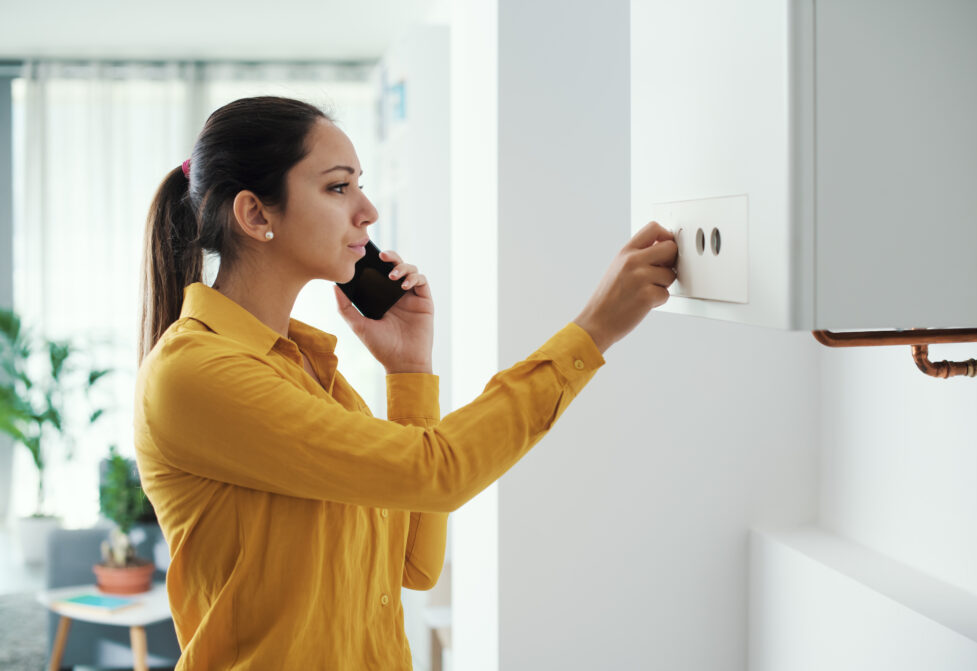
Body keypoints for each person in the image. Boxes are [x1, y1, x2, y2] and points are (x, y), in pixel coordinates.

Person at [134, 95, 677, 669]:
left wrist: (409, 371)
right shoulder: (196, 373)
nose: (367, 211)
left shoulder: (308, 370)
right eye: (338, 187)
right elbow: (436, 474)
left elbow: (415, 565)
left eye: (358, 186)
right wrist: (591, 333)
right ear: (256, 215)